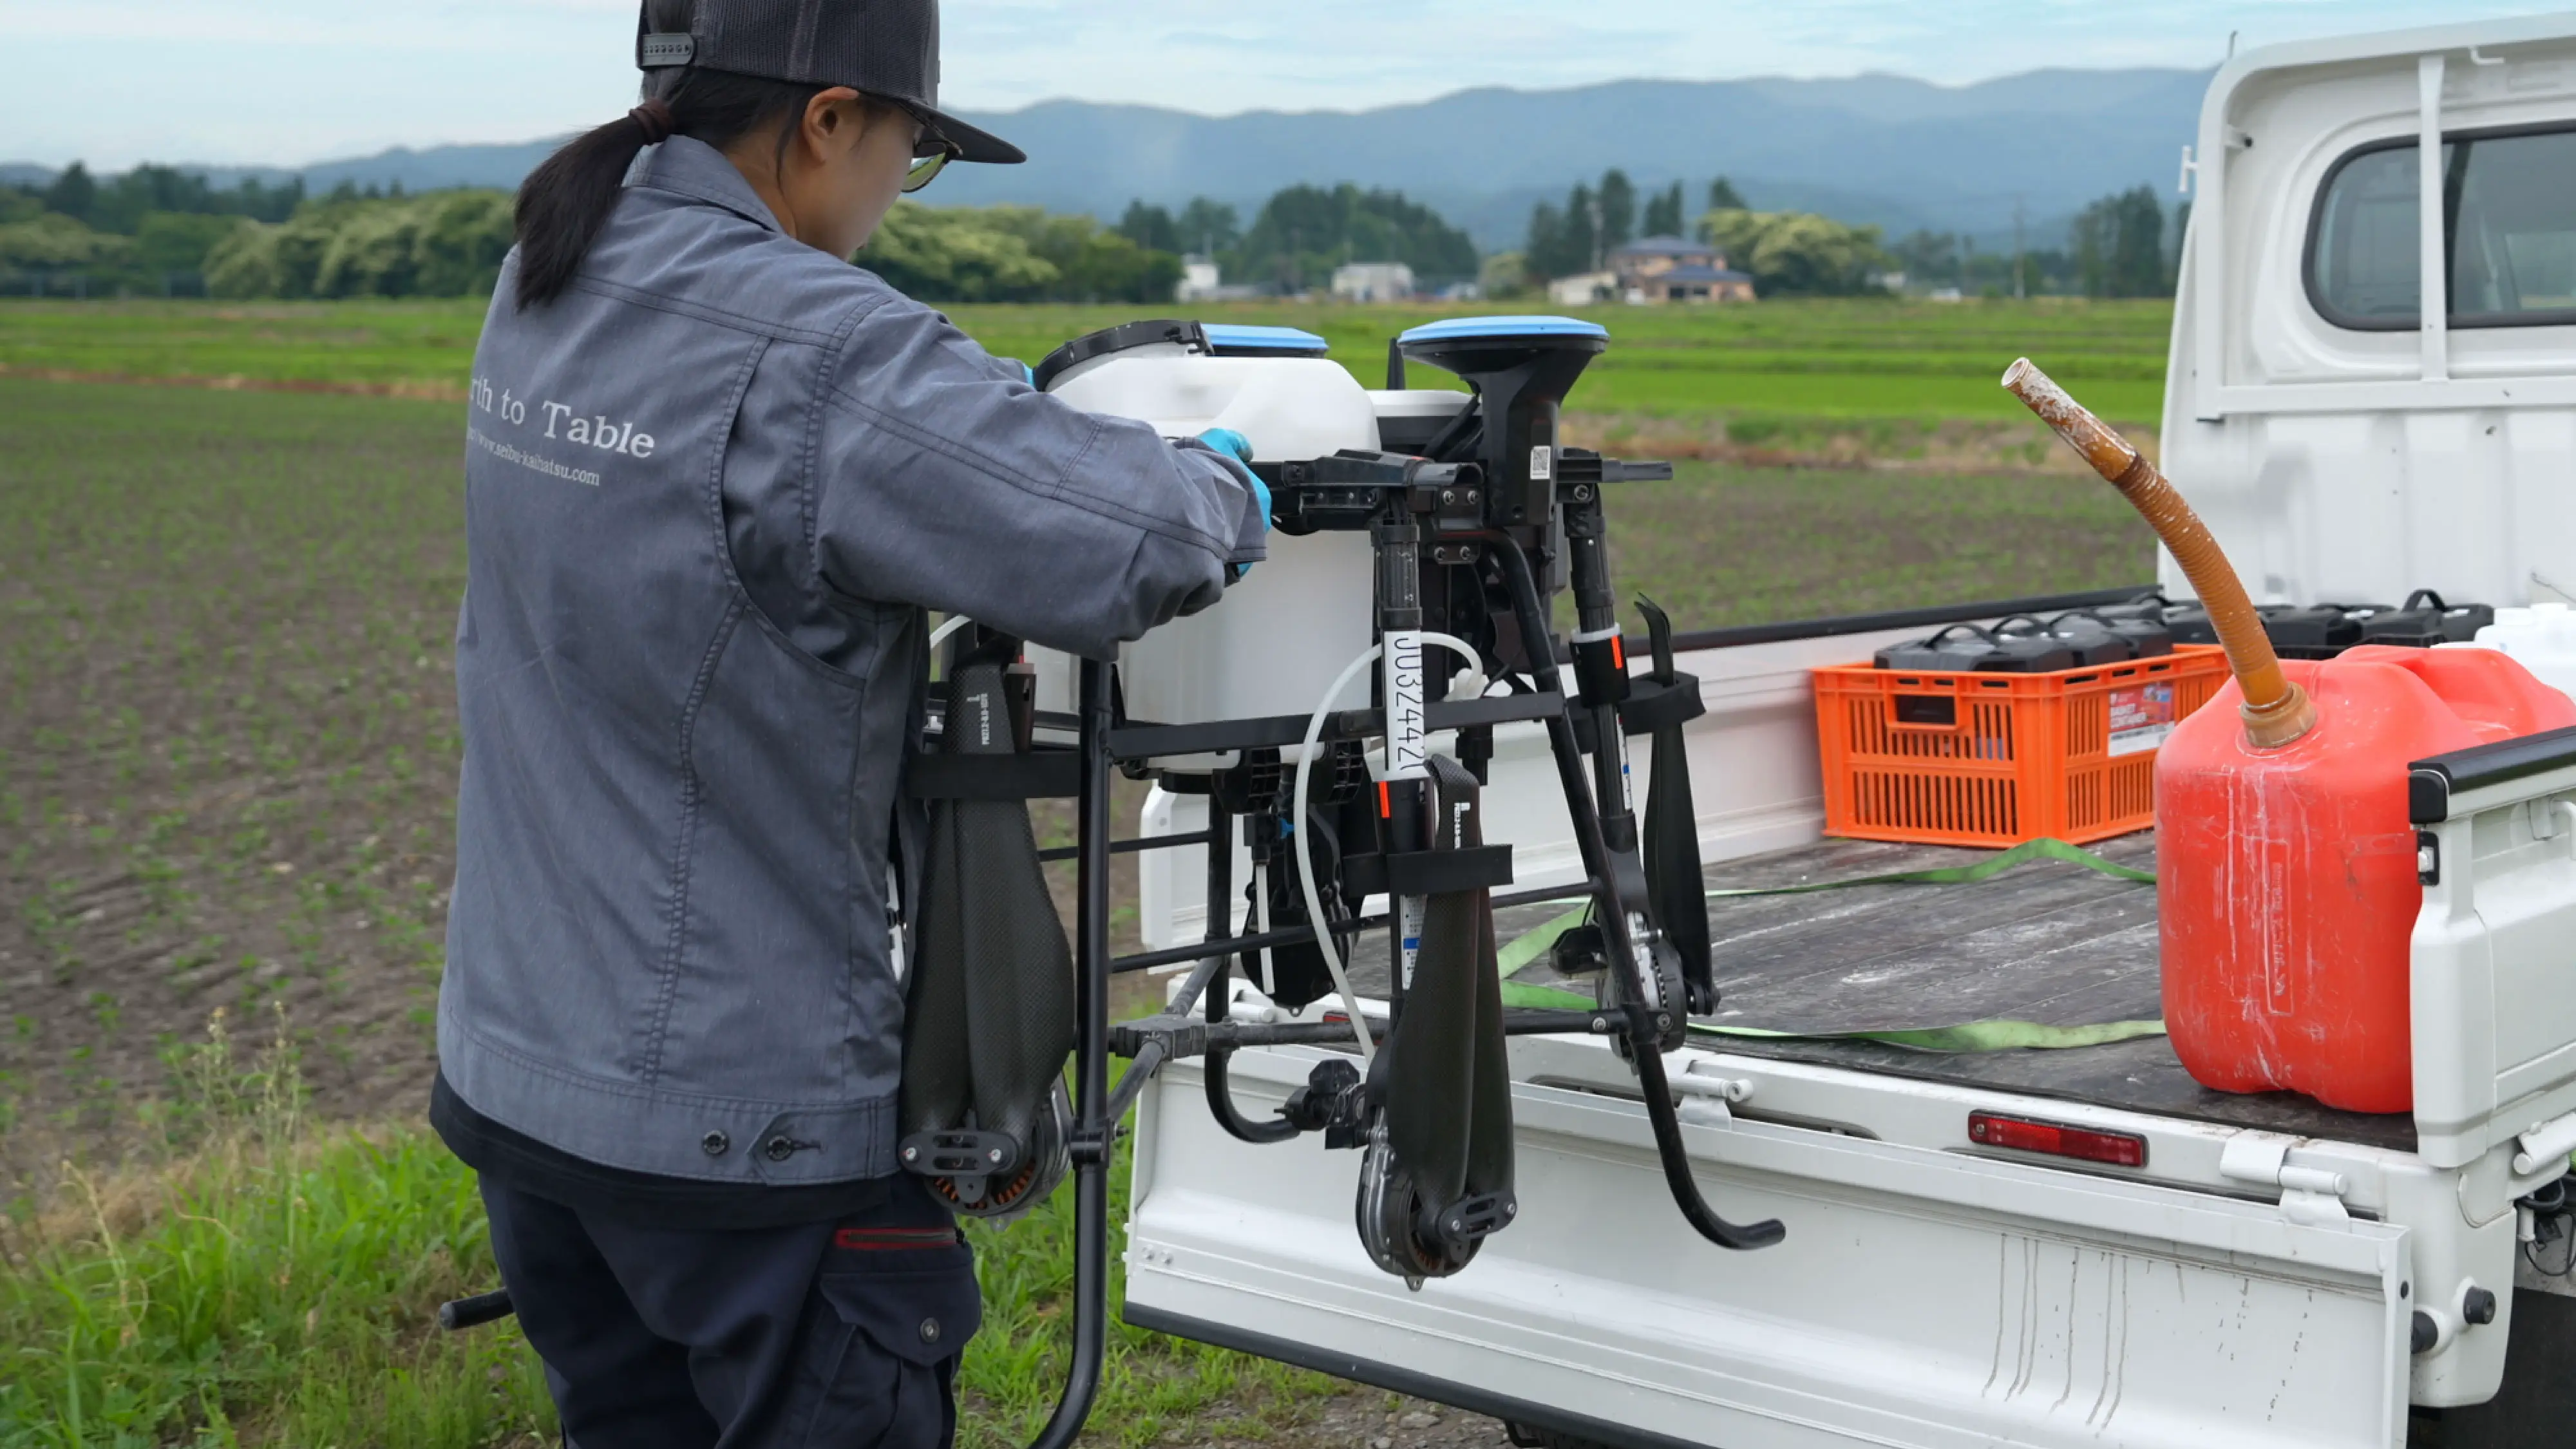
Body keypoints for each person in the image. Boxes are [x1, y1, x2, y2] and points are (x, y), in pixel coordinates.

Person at [427, 1, 1267, 1444]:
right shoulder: (817, 348)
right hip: (735, 1128)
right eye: (910, 149)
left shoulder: (557, 266)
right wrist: (1224, 490)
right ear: (825, 120)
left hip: (526, 1088)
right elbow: (1116, 543)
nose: (895, 188)